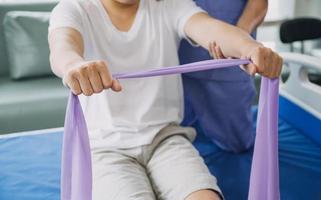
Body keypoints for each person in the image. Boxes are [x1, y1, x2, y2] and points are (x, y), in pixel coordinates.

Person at [48, 0, 282, 199]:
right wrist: (74, 65)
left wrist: (249, 48)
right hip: (105, 149)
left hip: (166, 140)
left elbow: (211, 29)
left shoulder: (168, 5)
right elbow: (62, 47)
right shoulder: (73, 9)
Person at [179, 0, 268, 153]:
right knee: (178, 138)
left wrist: (237, 39)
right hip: (180, 64)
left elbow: (259, 2)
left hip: (230, 64)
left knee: (237, 143)